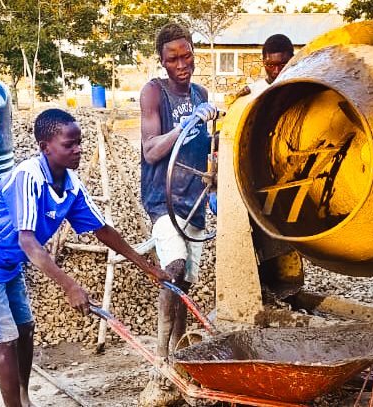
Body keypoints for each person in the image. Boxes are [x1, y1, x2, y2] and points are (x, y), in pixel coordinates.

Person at [0, 108, 172, 407]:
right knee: (5, 339)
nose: (78, 149)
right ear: (45, 147)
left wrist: (148, 268)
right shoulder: (28, 177)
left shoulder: (71, 185)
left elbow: (103, 230)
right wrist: (70, 286)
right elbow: (27, 241)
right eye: (69, 145)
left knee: (25, 328)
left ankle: (24, 398)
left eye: (79, 142)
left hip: (8, 260)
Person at [138, 22, 218, 405]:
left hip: (194, 202)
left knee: (184, 282)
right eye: (173, 59)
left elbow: (209, 150)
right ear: (162, 60)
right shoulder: (154, 93)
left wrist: (213, 189)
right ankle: (160, 361)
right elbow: (151, 150)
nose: (182, 65)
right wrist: (184, 126)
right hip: (163, 200)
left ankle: (180, 358)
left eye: (187, 56)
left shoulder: (201, 93)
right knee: (173, 267)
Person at [233, 33, 294, 100]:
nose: (276, 71)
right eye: (270, 65)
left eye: (283, 65)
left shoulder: (301, 90)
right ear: (263, 62)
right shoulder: (252, 93)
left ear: (293, 60)